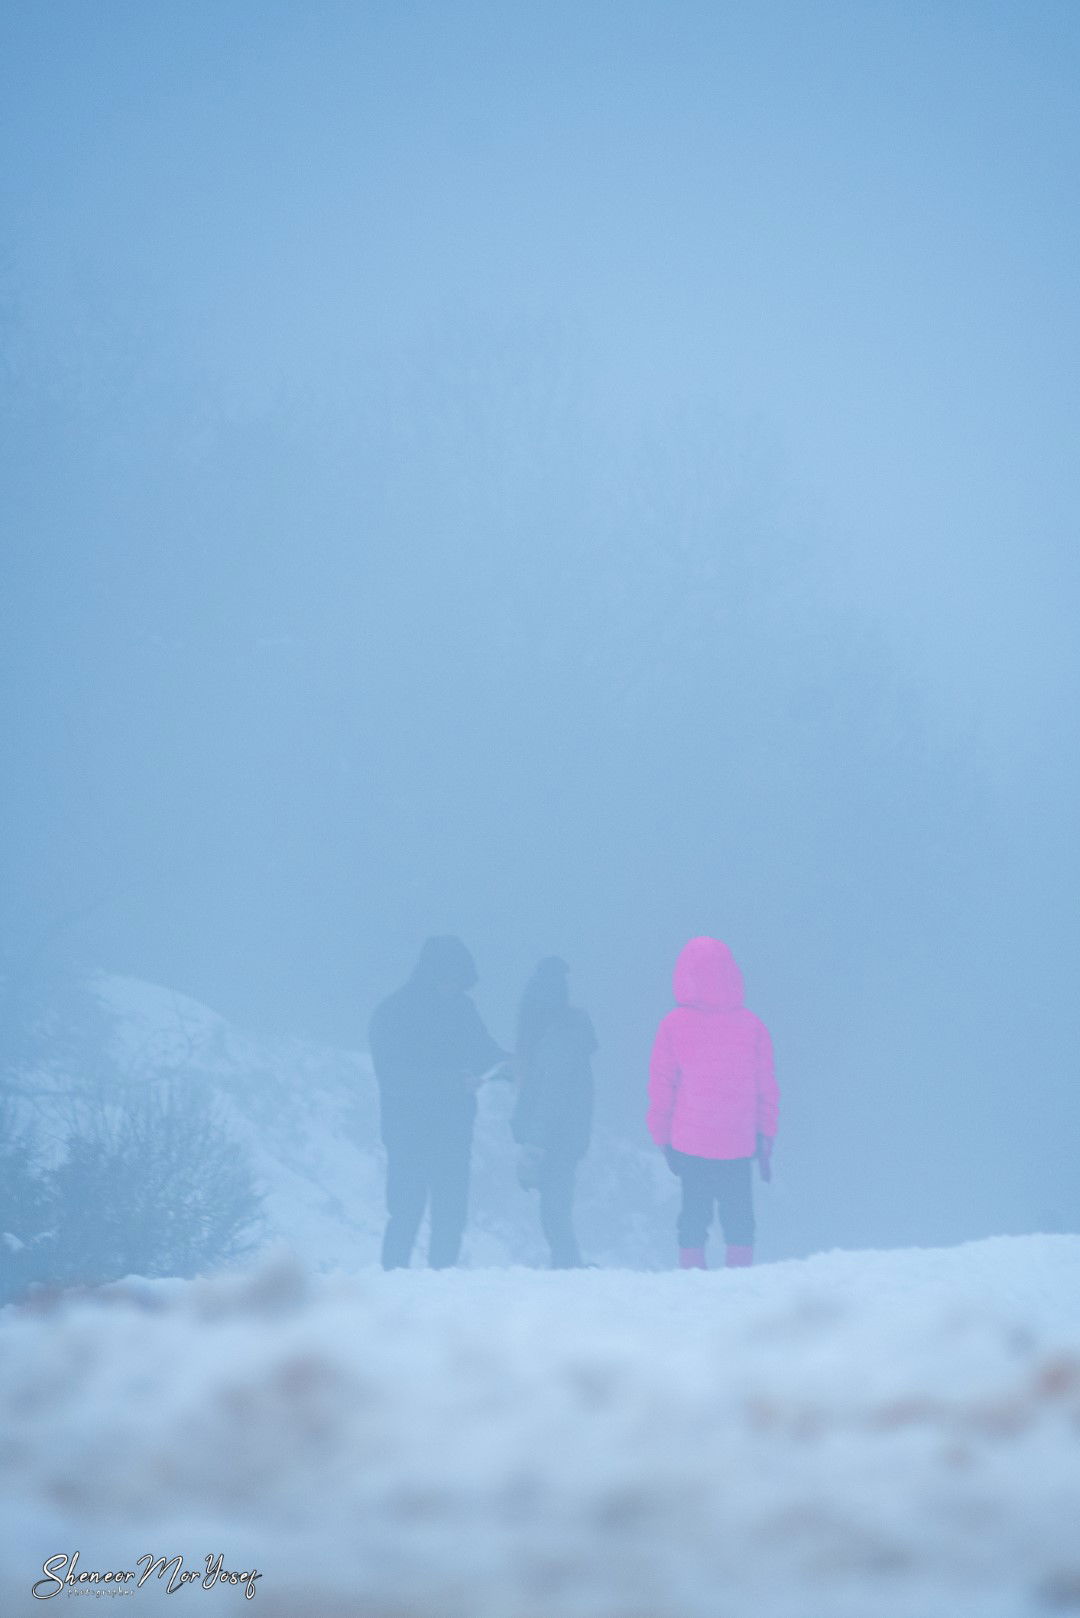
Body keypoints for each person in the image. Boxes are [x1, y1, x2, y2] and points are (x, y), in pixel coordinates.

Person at [369, 936, 508, 1270]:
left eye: (462, 983)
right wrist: (452, 1083)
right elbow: (393, 1077)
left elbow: (483, 1052)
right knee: (405, 1213)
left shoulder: (462, 1008)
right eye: (452, 981)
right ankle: (393, 1286)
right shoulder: (393, 1012)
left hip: (454, 1130)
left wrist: (513, 1066)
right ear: (433, 974)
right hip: (408, 1132)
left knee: (451, 1216)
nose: (457, 988)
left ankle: (444, 1287)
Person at [647, 936, 778, 1269]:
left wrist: (661, 1137)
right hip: (738, 1139)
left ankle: (692, 1279)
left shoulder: (672, 1025)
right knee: (739, 1218)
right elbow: (767, 1088)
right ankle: (741, 1278)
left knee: (693, 1215)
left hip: (690, 1142)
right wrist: (766, 1135)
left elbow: (662, 1087)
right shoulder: (753, 1026)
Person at [511, 956, 596, 1269]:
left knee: (554, 1208)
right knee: (554, 1206)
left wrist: (534, 1145)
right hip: (565, 1132)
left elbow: (551, 1094)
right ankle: (567, 1266)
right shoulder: (564, 1032)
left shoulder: (556, 1035)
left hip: (556, 1135)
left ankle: (568, 1268)